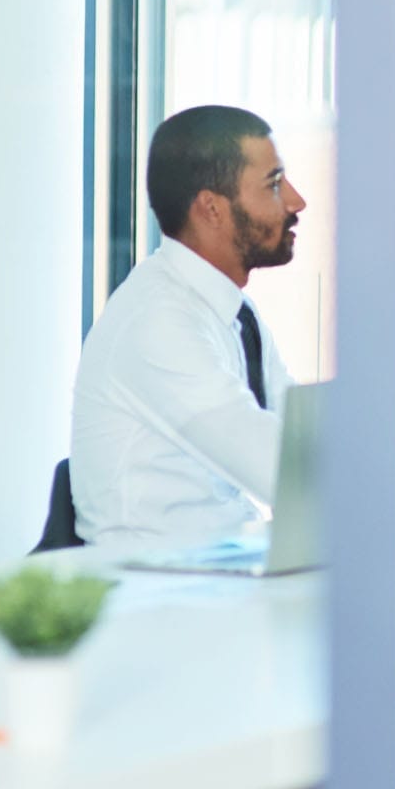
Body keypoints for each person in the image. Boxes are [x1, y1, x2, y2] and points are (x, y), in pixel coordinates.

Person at [71, 105, 306, 547]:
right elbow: (278, 469)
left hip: (218, 563)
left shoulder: (235, 313)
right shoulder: (158, 321)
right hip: (153, 578)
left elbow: (299, 429)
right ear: (212, 208)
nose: (296, 202)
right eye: (274, 184)